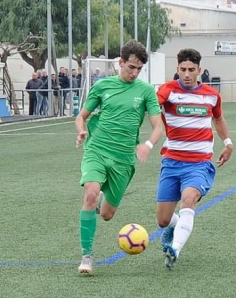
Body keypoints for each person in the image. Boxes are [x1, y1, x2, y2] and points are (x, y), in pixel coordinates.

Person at [75, 39, 164, 274]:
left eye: (139, 69)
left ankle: (99, 203)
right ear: (120, 63)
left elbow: (158, 127)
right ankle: (86, 257)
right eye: (130, 67)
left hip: (124, 159)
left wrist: (147, 144)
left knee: (107, 214)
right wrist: (82, 130)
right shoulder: (103, 86)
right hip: (97, 150)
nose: (134, 73)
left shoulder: (145, 91)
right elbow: (81, 116)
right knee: (90, 194)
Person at [156, 48, 234, 270]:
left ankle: (175, 249)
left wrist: (228, 143)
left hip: (199, 163)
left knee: (188, 199)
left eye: (191, 70)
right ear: (177, 69)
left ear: (199, 70)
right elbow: (153, 105)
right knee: (163, 220)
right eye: (183, 69)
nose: (187, 74)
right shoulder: (168, 91)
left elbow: (219, 119)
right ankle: (174, 227)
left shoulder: (211, 95)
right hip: (171, 162)